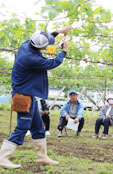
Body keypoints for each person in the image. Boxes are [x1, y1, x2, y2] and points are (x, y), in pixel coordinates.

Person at [0, 26, 72, 169]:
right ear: (42, 47)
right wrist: (63, 52)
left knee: (38, 127)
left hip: (28, 94)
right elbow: (53, 63)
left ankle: (42, 157)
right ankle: (2, 157)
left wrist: (58, 32)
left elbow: (45, 39)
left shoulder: (26, 44)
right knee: (22, 127)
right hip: (23, 96)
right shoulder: (32, 59)